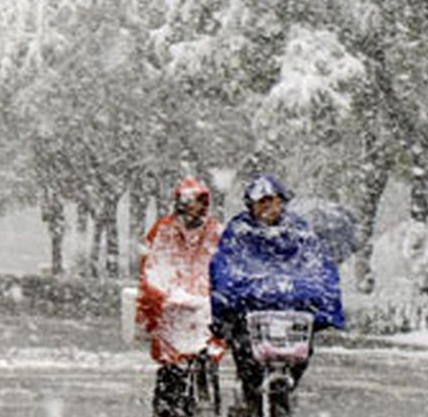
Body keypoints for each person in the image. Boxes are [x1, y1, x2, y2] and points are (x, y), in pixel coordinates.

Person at [209, 174, 344, 417]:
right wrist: (226, 303)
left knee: (300, 356)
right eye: (261, 202)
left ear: (282, 202)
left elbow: (319, 268)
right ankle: (250, 401)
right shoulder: (239, 232)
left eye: (272, 201)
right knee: (246, 361)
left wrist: (325, 305)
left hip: (291, 317)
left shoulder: (299, 232)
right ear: (251, 205)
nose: (268, 207)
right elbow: (224, 269)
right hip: (251, 318)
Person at [136, 177, 224, 417]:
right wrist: (165, 297)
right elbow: (153, 269)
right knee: (171, 371)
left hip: (206, 312)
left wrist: (217, 298)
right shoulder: (163, 231)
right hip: (172, 313)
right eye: (187, 202)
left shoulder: (216, 232)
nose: (192, 208)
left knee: (207, 366)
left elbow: (223, 269)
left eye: (197, 202)